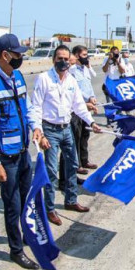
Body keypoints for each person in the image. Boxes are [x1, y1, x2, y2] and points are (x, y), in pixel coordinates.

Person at [0, 34, 39, 270]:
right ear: (5, 55)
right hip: (6, 158)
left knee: (25, 200)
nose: (21, 57)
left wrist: (36, 128)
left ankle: (24, 236)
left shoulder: (18, 76)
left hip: (23, 152)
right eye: (18, 54)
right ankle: (16, 250)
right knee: (11, 206)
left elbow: (28, 108)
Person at [29, 45, 103, 226]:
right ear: (53, 59)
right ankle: (49, 209)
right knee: (52, 171)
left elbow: (78, 106)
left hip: (66, 128)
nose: (63, 62)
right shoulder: (44, 79)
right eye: (59, 58)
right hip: (50, 130)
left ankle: (71, 200)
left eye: (65, 59)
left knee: (72, 165)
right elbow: (36, 107)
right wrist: (38, 130)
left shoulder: (71, 81)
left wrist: (92, 122)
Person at [69, 45, 100, 175]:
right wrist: (86, 100)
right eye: (83, 55)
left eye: (87, 55)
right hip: (77, 108)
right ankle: (77, 165)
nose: (86, 58)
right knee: (76, 136)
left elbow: (88, 86)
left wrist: (92, 97)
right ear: (76, 56)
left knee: (85, 136)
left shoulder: (85, 69)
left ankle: (84, 160)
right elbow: (75, 90)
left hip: (87, 108)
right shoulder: (71, 71)